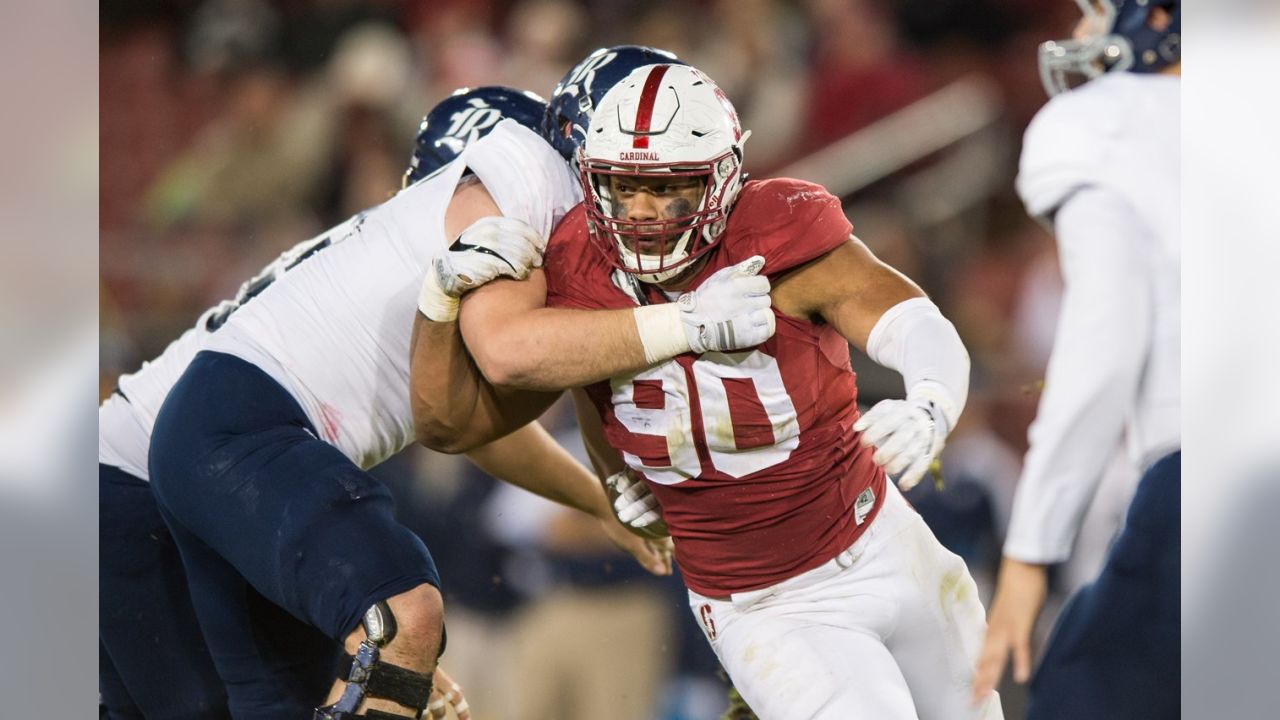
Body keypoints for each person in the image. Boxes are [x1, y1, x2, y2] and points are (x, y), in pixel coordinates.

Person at [413, 63, 1004, 720]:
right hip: (763, 603)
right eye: (622, 187)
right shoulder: (570, 262)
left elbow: (911, 320)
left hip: (888, 540)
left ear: (722, 181)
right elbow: (558, 381)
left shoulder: (775, 230)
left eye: (668, 191)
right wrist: (619, 472)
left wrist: (931, 401)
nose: (640, 213)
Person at [103, 86, 667, 720]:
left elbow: (463, 423)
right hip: (148, 480)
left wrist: (598, 498)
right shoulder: (477, 235)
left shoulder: (389, 257)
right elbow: (464, 420)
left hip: (167, 474)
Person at [970, 2, 1181, 718]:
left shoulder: (1109, 123)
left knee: (1079, 696)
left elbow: (1104, 348)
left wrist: (1029, 552)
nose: (1086, 36)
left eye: (1098, 13)